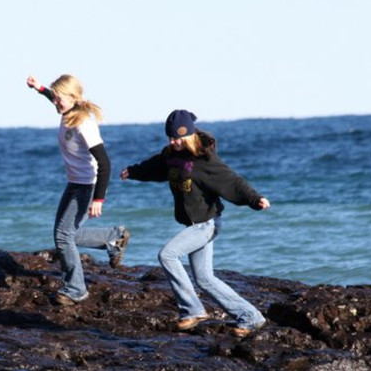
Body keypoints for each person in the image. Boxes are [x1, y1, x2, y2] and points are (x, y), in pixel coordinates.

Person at [120, 109, 270, 337]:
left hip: (207, 224)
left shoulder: (204, 159)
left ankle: (192, 310)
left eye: (178, 138)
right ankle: (251, 316)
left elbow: (232, 181)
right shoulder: (171, 155)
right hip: (194, 224)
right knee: (205, 279)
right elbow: (156, 167)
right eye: (170, 138)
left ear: (189, 135)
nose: (173, 142)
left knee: (167, 255)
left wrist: (254, 199)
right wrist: (133, 171)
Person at [26, 73, 130, 306]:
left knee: (63, 237)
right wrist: (39, 88)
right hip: (74, 183)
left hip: (87, 187)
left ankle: (76, 288)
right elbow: (52, 95)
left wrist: (99, 199)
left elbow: (105, 163)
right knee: (64, 235)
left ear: (73, 97)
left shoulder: (83, 123)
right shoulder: (66, 111)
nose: (55, 102)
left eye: (59, 98)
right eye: (55, 98)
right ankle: (113, 238)